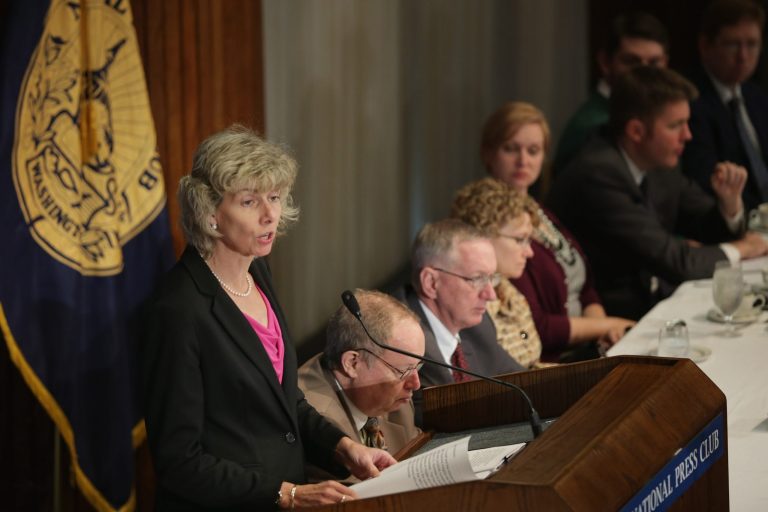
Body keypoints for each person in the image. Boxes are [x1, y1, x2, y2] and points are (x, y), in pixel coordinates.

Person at [140, 126, 395, 510]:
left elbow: (283, 400)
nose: (269, 214)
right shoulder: (177, 309)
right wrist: (287, 493)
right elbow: (179, 461)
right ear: (209, 212)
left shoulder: (257, 272)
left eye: (274, 197)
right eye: (248, 202)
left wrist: (344, 449)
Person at [549, 66, 768, 320]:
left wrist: (729, 205)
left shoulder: (657, 162)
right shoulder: (598, 173)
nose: (688, 135)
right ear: (636, 131)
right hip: (607, 320)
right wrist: (744, 247)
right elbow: (675, 261)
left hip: (653, 301)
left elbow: (702, 222)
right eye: (676, 125)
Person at [482, 102, 635, 362]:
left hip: (587, 346)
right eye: (511, 149)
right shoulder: (490, 224)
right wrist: (607, 325)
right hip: (552, 361)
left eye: (533, 150)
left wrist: (600, 332)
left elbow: (585, 286)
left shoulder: (539, 210)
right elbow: (539, 326)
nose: (523, 160)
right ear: (489, 154)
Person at [298, 289, 423, 481]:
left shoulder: (393, 398)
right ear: (352, 363)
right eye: (404, 370)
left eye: (418, 366)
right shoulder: (315, 421)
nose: (415, 383)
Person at [392, 219, 525, 390]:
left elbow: (524, 384)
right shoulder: (398, 340)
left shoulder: (478, 326)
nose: (491, 295)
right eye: (477, 279)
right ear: (431, 282)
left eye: (492, 278)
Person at [552, 11, 669, 178]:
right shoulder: (592, 128)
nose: (645, 72)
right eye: (631, 61)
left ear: (666, 63)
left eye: (654, 62)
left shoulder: (652, 116)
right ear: (605, 62)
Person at [450, 177, 545, 368]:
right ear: (482, 235)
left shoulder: (510, 292)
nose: (530, 252)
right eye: (520, 239)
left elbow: (533, 366)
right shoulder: (469, 308)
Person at [683, 0, 768, 210]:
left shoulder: (757, 96)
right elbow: (708, 179)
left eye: (752, 44)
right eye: (732, 44)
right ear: (705, 45)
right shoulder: (688, 101)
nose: (743, 56)